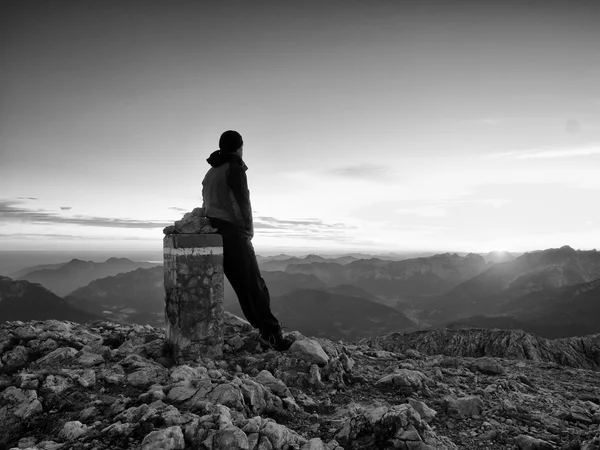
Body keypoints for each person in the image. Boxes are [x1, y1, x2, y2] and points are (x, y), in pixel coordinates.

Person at [201, 130, 293, 351]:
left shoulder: (211, 171)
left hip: (215, 234)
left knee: (242, 287)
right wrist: (249, 230)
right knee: (254, 285)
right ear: (240, 147)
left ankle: (261, 328)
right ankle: (270, 334)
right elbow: (243, 202)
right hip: (234, 233)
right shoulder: (234, 168)